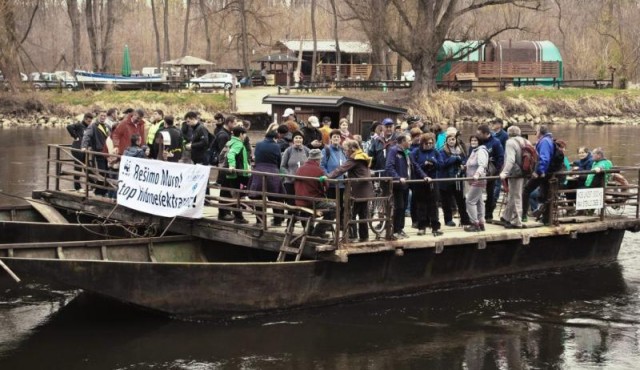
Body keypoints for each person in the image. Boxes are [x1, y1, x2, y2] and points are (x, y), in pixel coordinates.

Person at [325, 139, 374, 242]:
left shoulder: (354, 159)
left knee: (350, 213)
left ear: (352, 149)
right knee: (362, 214)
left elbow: (341, 169)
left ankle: (351, 236)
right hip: (365, 190)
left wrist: (328, 176)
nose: (345, 152)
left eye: (346, 150)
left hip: (358, 191)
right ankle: (364, 237)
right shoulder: (362, 156)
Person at [385, 133, 430, 239]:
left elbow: (416, 166)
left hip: (406, 184)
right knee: (399, 207)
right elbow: (389, 167)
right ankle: (395, 231)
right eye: (409, 140)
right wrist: (398, 178)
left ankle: (400, 229)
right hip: (397, 184)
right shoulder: (394, 150)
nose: (411, 142)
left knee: (404, 207)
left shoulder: (408, 153)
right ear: (403, 141)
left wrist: (425, 176)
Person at [522, 125, 559, 225]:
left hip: (543, 173)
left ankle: (523, 215)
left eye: (537, 131)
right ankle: (546, 218)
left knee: (526, 190)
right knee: (546, 194)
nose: (535, 133)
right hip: (548, 172)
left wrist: (539, 171)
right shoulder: (548, 140)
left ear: (540, 132)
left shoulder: (544, 141)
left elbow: (544, 158)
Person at [294, 149, 335, 237]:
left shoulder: (300, 169)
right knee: (335, 208)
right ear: (317, 160)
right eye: (320, 159)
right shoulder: (318, 171)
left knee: (310, 207)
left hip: (299, 200)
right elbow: (325, 188)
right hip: (311, 201)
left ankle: (309, 229)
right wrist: (325, 181)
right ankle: (319, 231)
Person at [249, 126, 285, 226]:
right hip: (272, 172)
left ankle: (260, 221)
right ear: (275, 138)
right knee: (275, 198)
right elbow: (279, 160)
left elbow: (255, 158)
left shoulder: (258, 144)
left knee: (258, 198)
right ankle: (277, 221)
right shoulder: (276, 146)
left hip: (258, 171)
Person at [411, 132, 443, 236]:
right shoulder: (416, 152)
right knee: (421, 205)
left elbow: (441, 165)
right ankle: (422, 226)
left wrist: (434, 162)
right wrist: (424, 165)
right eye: (426, 143)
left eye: (430, 143)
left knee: (433, 205)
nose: (428, 145)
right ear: (422, 143)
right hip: (420, 182)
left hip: (433, 181)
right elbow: (415, 166)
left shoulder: (436, 152)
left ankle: (435, 227)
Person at [439, 131, 470, 227]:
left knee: (461, 200)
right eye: (449, 140)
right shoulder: (442, 151)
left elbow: (465, 160)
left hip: (458, 178)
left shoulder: (460, 150)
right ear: (446, 141)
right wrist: (454, 158)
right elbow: (442, 164)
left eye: (453, 139)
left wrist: (463, 165)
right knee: (446, 201)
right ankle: (448, 220)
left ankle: (464, 219)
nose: (452, 141)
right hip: (446, 179)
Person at [499, 125, 528, 229]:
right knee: (513, 194)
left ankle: (516, 221)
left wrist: (504, 173)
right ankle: (506, 217)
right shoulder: (525, 141)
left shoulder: (510, 142)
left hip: (515, 173)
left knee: (516, 197)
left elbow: (510, 159)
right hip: (525, 172)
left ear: (508, 133)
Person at [321, 129, 349, 236]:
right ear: (331, 139)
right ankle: (328, 224)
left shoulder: (342, 150)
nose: (336, 138)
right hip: (331, 184)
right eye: (334, 137)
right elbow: (322, 165)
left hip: (342, 183)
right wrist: (327, 176)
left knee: (341, 204)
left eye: (338, 137)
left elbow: (346, 164)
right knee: (331, 205)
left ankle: (340, 224)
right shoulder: (326, 150)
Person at [223, 126, 251, 224]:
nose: (245, 136)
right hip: (239, 174)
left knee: (236, 194)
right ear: (241, 134)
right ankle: (239, 216)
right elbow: (231, 154)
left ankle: (238, 216)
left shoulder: (230, 142)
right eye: (245, 134)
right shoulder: (238, 144)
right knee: (241, 194)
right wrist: (232, 165)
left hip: (235, 174)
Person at [476, 124, 504, 221]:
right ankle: (478, 213)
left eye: (479, 134)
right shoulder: (479, 141)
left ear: (486, 133)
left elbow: (501, 156)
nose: (477, 135)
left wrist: (496, 169)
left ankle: (488, 214)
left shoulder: (495, 142)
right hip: (479, 171)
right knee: (477, 191)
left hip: (491, 171)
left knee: (490, 193)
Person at [81, 111, 111, 196]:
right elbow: (87, 136)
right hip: (99, 151)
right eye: (101, 116)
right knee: (102, 172)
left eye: (104, 116)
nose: (103, 117)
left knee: (107, 172)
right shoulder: (93, 126)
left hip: (107, 153)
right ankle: (99, 191)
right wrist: (84, 146)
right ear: (97, 116)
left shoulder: (107, 126)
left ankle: (104, 190)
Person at [280, 131, 310, 217]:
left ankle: (305, 224)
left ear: (303, 140)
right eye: (296, 138)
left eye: (300, 138)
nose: (298, 140)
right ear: (293, 139)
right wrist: (289, 175)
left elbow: (311, 164)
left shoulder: (307, 151)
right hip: (290, 182)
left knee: (304, 204)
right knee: (291, 205)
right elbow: (282, 166)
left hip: (303, 183)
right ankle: (290, 224)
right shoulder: (288, 151)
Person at [464, 135, 489, 232]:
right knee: (479, 201)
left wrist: (477, 174)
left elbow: (482, 164)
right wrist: (465, 167)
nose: (473, 142)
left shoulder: (481, 151)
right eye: (472, 140)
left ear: (480, 141)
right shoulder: (474, 151)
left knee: (469, 201)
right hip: (472, 179)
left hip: (478, 179)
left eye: (475, 140)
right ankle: (481, 222)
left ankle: (474, 223)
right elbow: (471, 163)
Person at [66, 112, 93, 190]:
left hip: (84, 150)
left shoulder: (89, 127)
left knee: (88, 167)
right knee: (78, 167)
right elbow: (69, 127)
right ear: (84, 119)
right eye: (88, 121)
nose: (89, 123)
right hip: (77, 149)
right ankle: (77, 187)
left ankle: (92, 185)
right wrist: (75, 136)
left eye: (91, 121)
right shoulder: (79, 125)